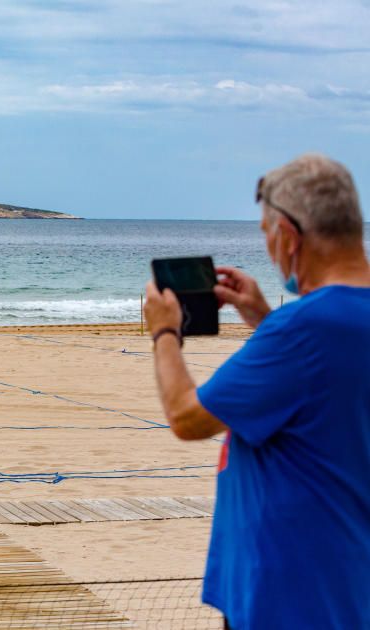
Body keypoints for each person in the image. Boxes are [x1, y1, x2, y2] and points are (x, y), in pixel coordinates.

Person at [143, 153, 370, 630]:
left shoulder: (302, 330)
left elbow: (188, 417)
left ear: (288, 235)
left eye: (267, 233)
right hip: (347, 584)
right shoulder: (320, 329)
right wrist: (264, 320)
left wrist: (165, 333)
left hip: (290, 596)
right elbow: (332, 387)